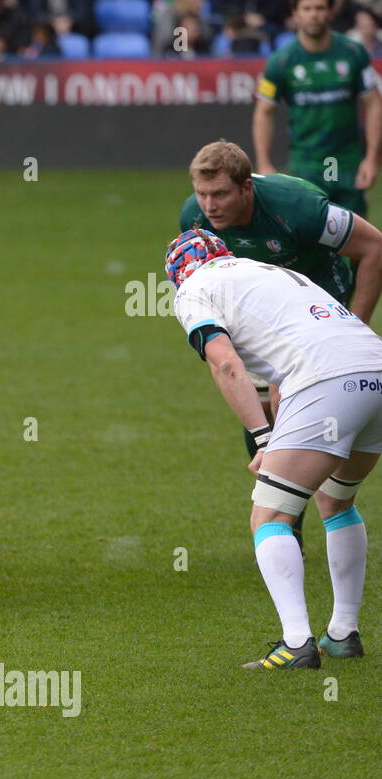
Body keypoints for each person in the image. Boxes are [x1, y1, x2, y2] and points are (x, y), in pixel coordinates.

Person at [166, 229, 382, 667]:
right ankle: (342, 632)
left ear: (177, 276)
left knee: (270, 515)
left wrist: (264, 438)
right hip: (375, 371)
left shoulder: (193, 289)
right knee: (335, 499)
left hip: (329, 381)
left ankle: (297, 644)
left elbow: (225, 362)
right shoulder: (266, 271)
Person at [180, 140, 382, 545]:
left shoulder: (297, 206)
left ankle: (290, 514)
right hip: (260, 316)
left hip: (321, 308)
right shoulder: (193, 216)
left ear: (246, 188)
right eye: (202, 194)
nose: (209, 205)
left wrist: (353, 329)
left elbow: (374, 246)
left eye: (220, 194)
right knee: (258, 408)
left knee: (288, 401)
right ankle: (287, 525)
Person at [253, 0, 382, 218]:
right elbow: (264, 112)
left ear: (330, 12)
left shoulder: (353, 52)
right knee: (312, 244)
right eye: (307, 8)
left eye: (320, 8)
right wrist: (264, 163)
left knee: (358, 244)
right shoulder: (280, 61)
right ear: (296, 13)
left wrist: (371, 159)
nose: (314, 15)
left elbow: (374, 104)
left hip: (349, 163)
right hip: (306, 165)